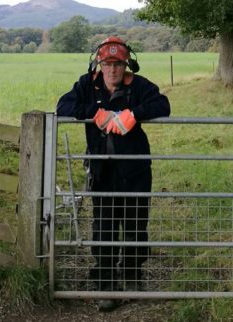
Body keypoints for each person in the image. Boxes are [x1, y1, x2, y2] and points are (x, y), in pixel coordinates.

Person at [56, 36, 170, 311]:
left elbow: (163, 105)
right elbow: (63, 106)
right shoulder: (87, 85)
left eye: (118, 64)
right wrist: (96, 113)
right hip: (102, 170)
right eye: (107, 63)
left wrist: (134, 114)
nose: (113, 70)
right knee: (104, 225)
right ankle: (105, 281)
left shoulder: (138, 86)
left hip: (135, 171)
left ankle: (132, 276)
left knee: (134, 223)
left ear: (127, 65)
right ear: (99, 65)